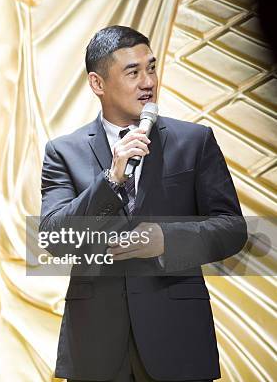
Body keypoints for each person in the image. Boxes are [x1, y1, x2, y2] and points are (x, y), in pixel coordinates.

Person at [39, 26, 247, 382]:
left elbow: (232, 228)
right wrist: (110, 180)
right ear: (97, 83)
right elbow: (54, 238)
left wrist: (165, 239)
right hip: (96, 344)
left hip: (177, 337)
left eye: (151, 68)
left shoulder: (194, 141)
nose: (147, 81)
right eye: (133, 72)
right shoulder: (63, 151)